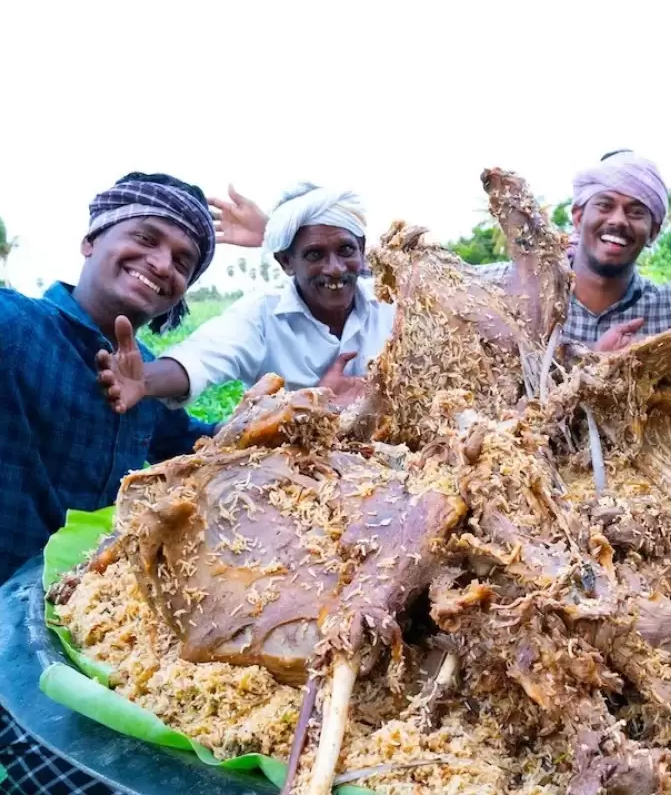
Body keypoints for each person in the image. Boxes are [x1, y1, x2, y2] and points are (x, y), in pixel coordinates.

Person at [0, 172, 219, 795]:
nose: (161, 263)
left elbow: (207, 442)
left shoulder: (143, 392)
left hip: (67, 650)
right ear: (92, 239)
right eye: (145, 237)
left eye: (183, 260)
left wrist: (307, 408)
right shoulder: (15, 328)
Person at [97, 184, 396, 412]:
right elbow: (202, 356)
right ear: (286, 262)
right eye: (314, 254)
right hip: (302, 475)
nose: (334, 269)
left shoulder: (395, 305)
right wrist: (144, 380)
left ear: (361, 250)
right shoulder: (261, 314)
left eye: (346, 250)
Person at [479, 151, 671, 352]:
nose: (618, 220)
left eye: (636, 212)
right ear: (578, 217)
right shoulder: (492, 289)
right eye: (605, 205)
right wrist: (596, 359)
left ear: (653, 232)